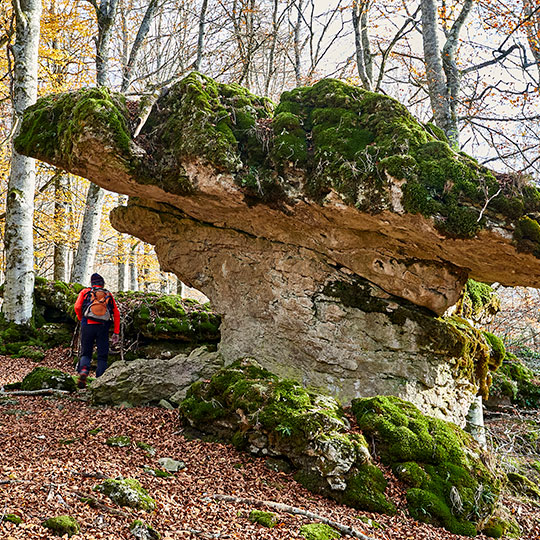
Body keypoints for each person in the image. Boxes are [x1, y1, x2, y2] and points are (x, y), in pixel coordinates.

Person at [74, 273, 120, 389]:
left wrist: (81, 318)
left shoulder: (85, 292)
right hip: (103, 327)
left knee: (86, 352)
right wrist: (116, 332)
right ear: (102, 283)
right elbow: (116, 314)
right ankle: (100, 381)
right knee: (102, 355)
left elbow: (77, 307)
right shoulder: (107, 294)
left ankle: (84, 370)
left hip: (87, 325)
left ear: (92, 283)